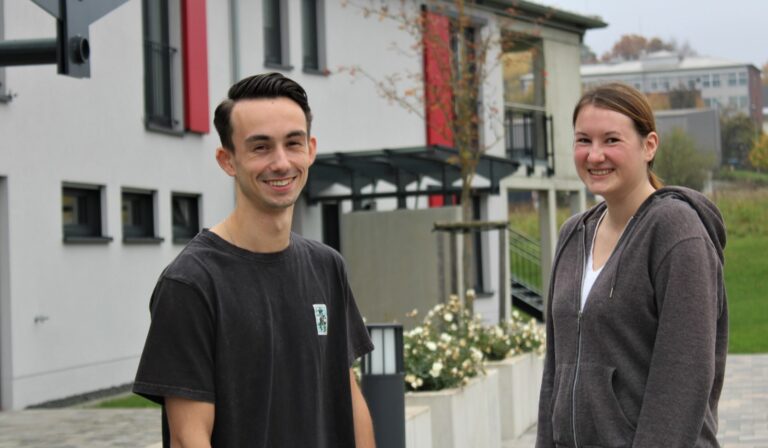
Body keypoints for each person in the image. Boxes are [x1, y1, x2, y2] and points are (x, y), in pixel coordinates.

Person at [133, 73, 376, 447]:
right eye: (260, 148)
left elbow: (348, 394)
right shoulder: (191, 283)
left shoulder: (327, 267)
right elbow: (188, 438)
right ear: (227, 160)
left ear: (310, 149)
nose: (281, 163)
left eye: (293, 143)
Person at [536, 83, 727, 447]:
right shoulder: (573, 235)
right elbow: (553, 375)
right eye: (583, 140)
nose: (594, 156)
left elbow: (683, 377)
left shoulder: (676, 231)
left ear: (649, 145)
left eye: (611, 140)